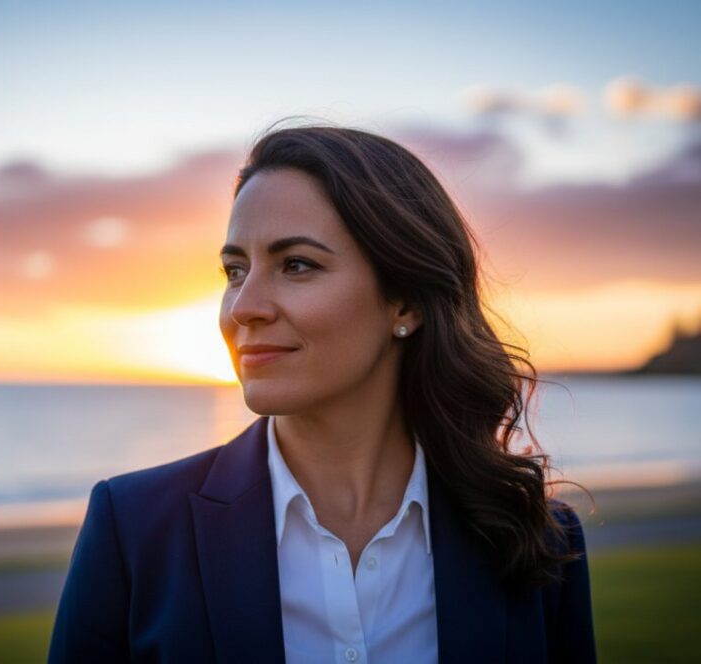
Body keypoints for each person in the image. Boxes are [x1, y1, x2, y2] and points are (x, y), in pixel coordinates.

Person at [48, 125, 596, 663]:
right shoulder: (134, 529)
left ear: (404, 302)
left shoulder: (534, 540)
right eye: (235, 270)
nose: (243, 306)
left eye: (296, 265)